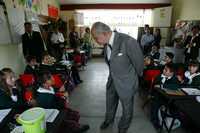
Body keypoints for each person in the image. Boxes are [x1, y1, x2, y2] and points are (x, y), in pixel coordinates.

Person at [91, 22, 143, 133]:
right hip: (112, 80)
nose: (96, 41)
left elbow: (139, 64)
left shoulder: (128, 41)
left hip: (126, 83)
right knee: (110, 102)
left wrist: (133, 80)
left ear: (105, 33)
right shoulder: (106, 44)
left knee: (127, 109)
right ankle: (109, 120)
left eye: (96, 38)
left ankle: (122, 128)